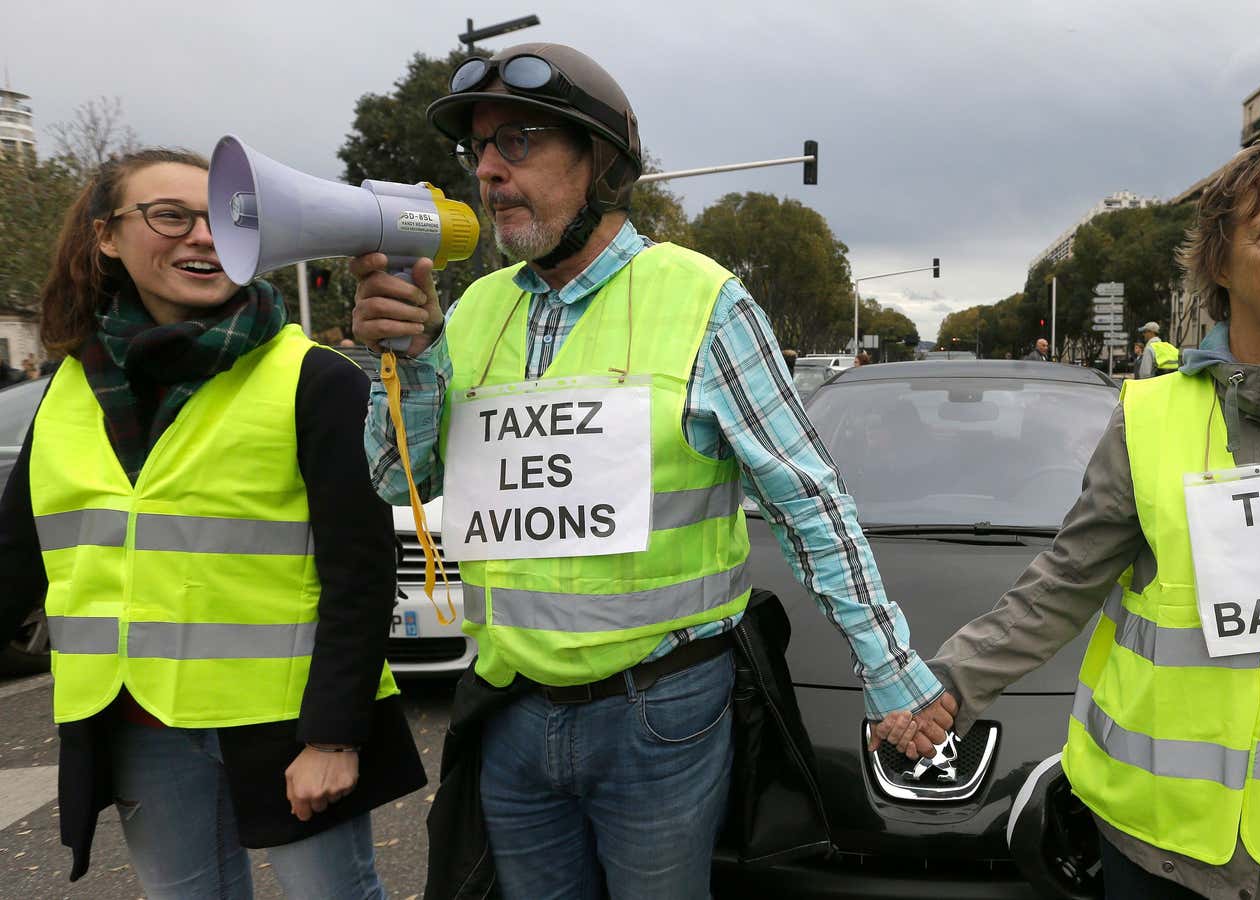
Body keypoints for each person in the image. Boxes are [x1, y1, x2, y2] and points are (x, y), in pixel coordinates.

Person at [350, 42, 955, 898]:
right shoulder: (472, 310)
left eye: (518, 140)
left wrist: (891, 671)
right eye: (478, 149)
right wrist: (409, 364)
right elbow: (391, 480)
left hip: (659, 715)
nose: (487, 171)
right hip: (506, 709)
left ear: (599, 162)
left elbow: (808, 499)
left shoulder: (704, 300)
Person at [878, 142, 1260, 899]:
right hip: (1149, 845)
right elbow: (1062, 584)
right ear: (1219, 264)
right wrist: (951, 684)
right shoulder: (1148, 419)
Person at [0, 149, 424, 898]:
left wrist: (334, 737)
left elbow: (360, 572)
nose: (203, 236)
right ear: (106, 237)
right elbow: (13, 557)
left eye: (226, 218)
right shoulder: (69, 387)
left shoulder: (312, 378)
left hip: (290, 726)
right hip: (137, 725)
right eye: (170, 216)